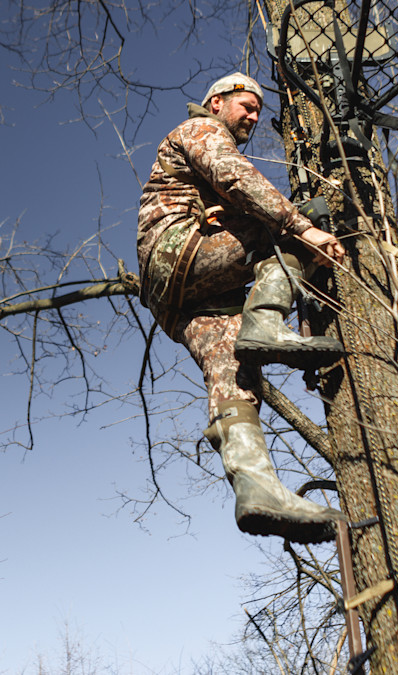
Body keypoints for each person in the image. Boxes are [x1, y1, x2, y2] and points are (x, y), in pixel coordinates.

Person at [137, 73, 347, 543]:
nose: (252, 115)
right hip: (177, 254)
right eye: (245, 106)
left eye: (257, 110)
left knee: (234, 376)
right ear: (216, 103)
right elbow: (236, 176)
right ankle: (268, 321)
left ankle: (257, 488)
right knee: (296, 219)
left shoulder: (196, 147)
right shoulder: (200, 130)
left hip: (179, 298)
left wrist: (212, 216)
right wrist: (301, 228)